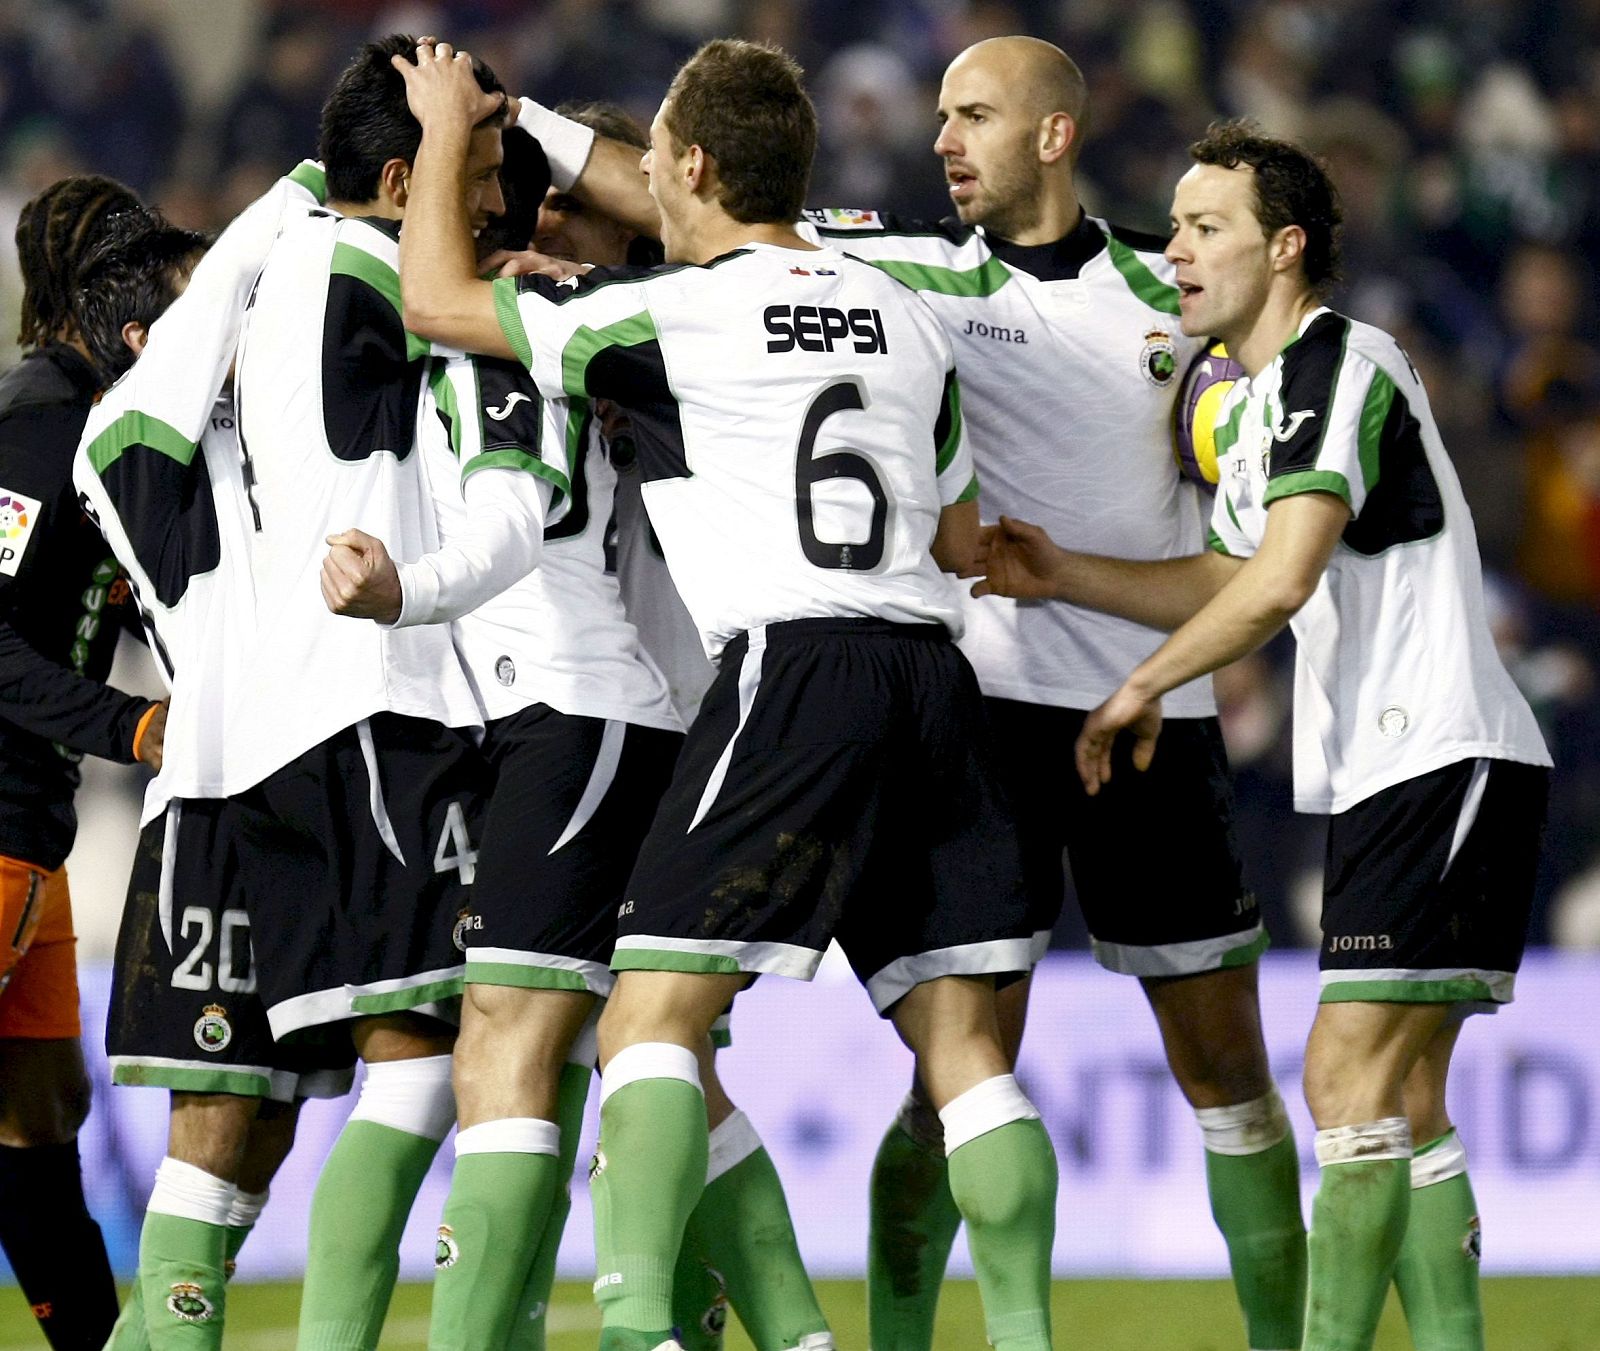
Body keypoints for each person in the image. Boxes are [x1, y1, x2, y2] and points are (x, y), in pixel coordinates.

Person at [531, 36, 1308, 1349]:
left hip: (1146, 717)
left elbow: (1252, 538)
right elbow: (677, 186)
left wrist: (1131, 528)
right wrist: (528, 126)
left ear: (1055, 135)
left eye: (976, 116)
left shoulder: (1167, 300)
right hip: (978, 713)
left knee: (1226, 1066)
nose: (944, 139)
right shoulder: (888, 270)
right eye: (941, 114)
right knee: (949, 1081)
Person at [390, 35, 1059, 1351]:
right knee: (965, 1046)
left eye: (658, 164)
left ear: (687, 167)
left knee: (650, 1010)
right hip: (933, 671)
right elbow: (963, 532)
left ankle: (636, 1314)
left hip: (793, 669)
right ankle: (1027, 1332)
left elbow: (433, 301)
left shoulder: (675, 314)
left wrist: (432, 126)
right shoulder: (905, 315)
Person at [973, 120, 1551, 1351]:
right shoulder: (1261, 407)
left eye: (1204, 228)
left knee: (1344, 1083)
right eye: (1175, 225)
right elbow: (1231, 576)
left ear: (1283, 249)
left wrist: (1139, 690)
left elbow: (1277, 586)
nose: (1173, 249)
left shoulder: (1341, 361)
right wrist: (1064, 571)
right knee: (1405, 1099)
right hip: (1397, 763)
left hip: (1437, 748)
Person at [324, 100, 831, 1351]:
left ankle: (630, 1325)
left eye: (555, 198)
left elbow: (506, 520)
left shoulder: (560, 336)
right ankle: (778, 1332)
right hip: (606, 723)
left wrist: (407, 591)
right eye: (519, 192)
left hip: (586, 713)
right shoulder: (642, 343)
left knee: (510, 1045)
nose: (532, 217)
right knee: (637, 1058)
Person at [73, 205, 346, 1351]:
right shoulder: (128, 441)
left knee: (272, 1124)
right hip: (221, 797)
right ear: (153, 335)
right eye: (206, 306)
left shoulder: (280, 415)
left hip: (325, 789)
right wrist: (298, 196)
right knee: (218, 1116)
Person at [0, 174, 166, 1351]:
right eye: (142, 268)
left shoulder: (109, 424)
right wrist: (129, 726)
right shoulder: (30, 426)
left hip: (33, 825)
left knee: (41, 1109)